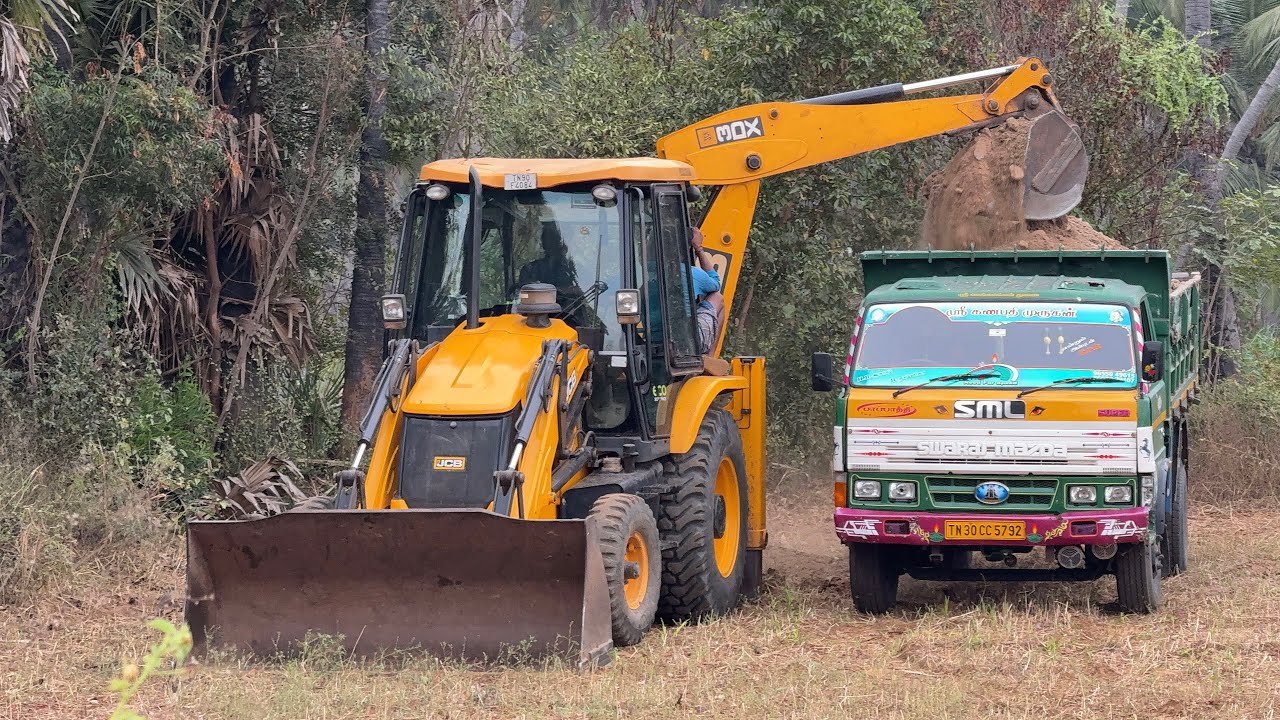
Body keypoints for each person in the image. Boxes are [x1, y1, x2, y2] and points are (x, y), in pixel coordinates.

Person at [689, 227, 725, 356]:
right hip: (687, 341)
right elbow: (715, 282)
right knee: (717, 297)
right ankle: (710, 356)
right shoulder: (691, 274)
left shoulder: (644, 279)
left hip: (652, 339)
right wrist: (698, 249)